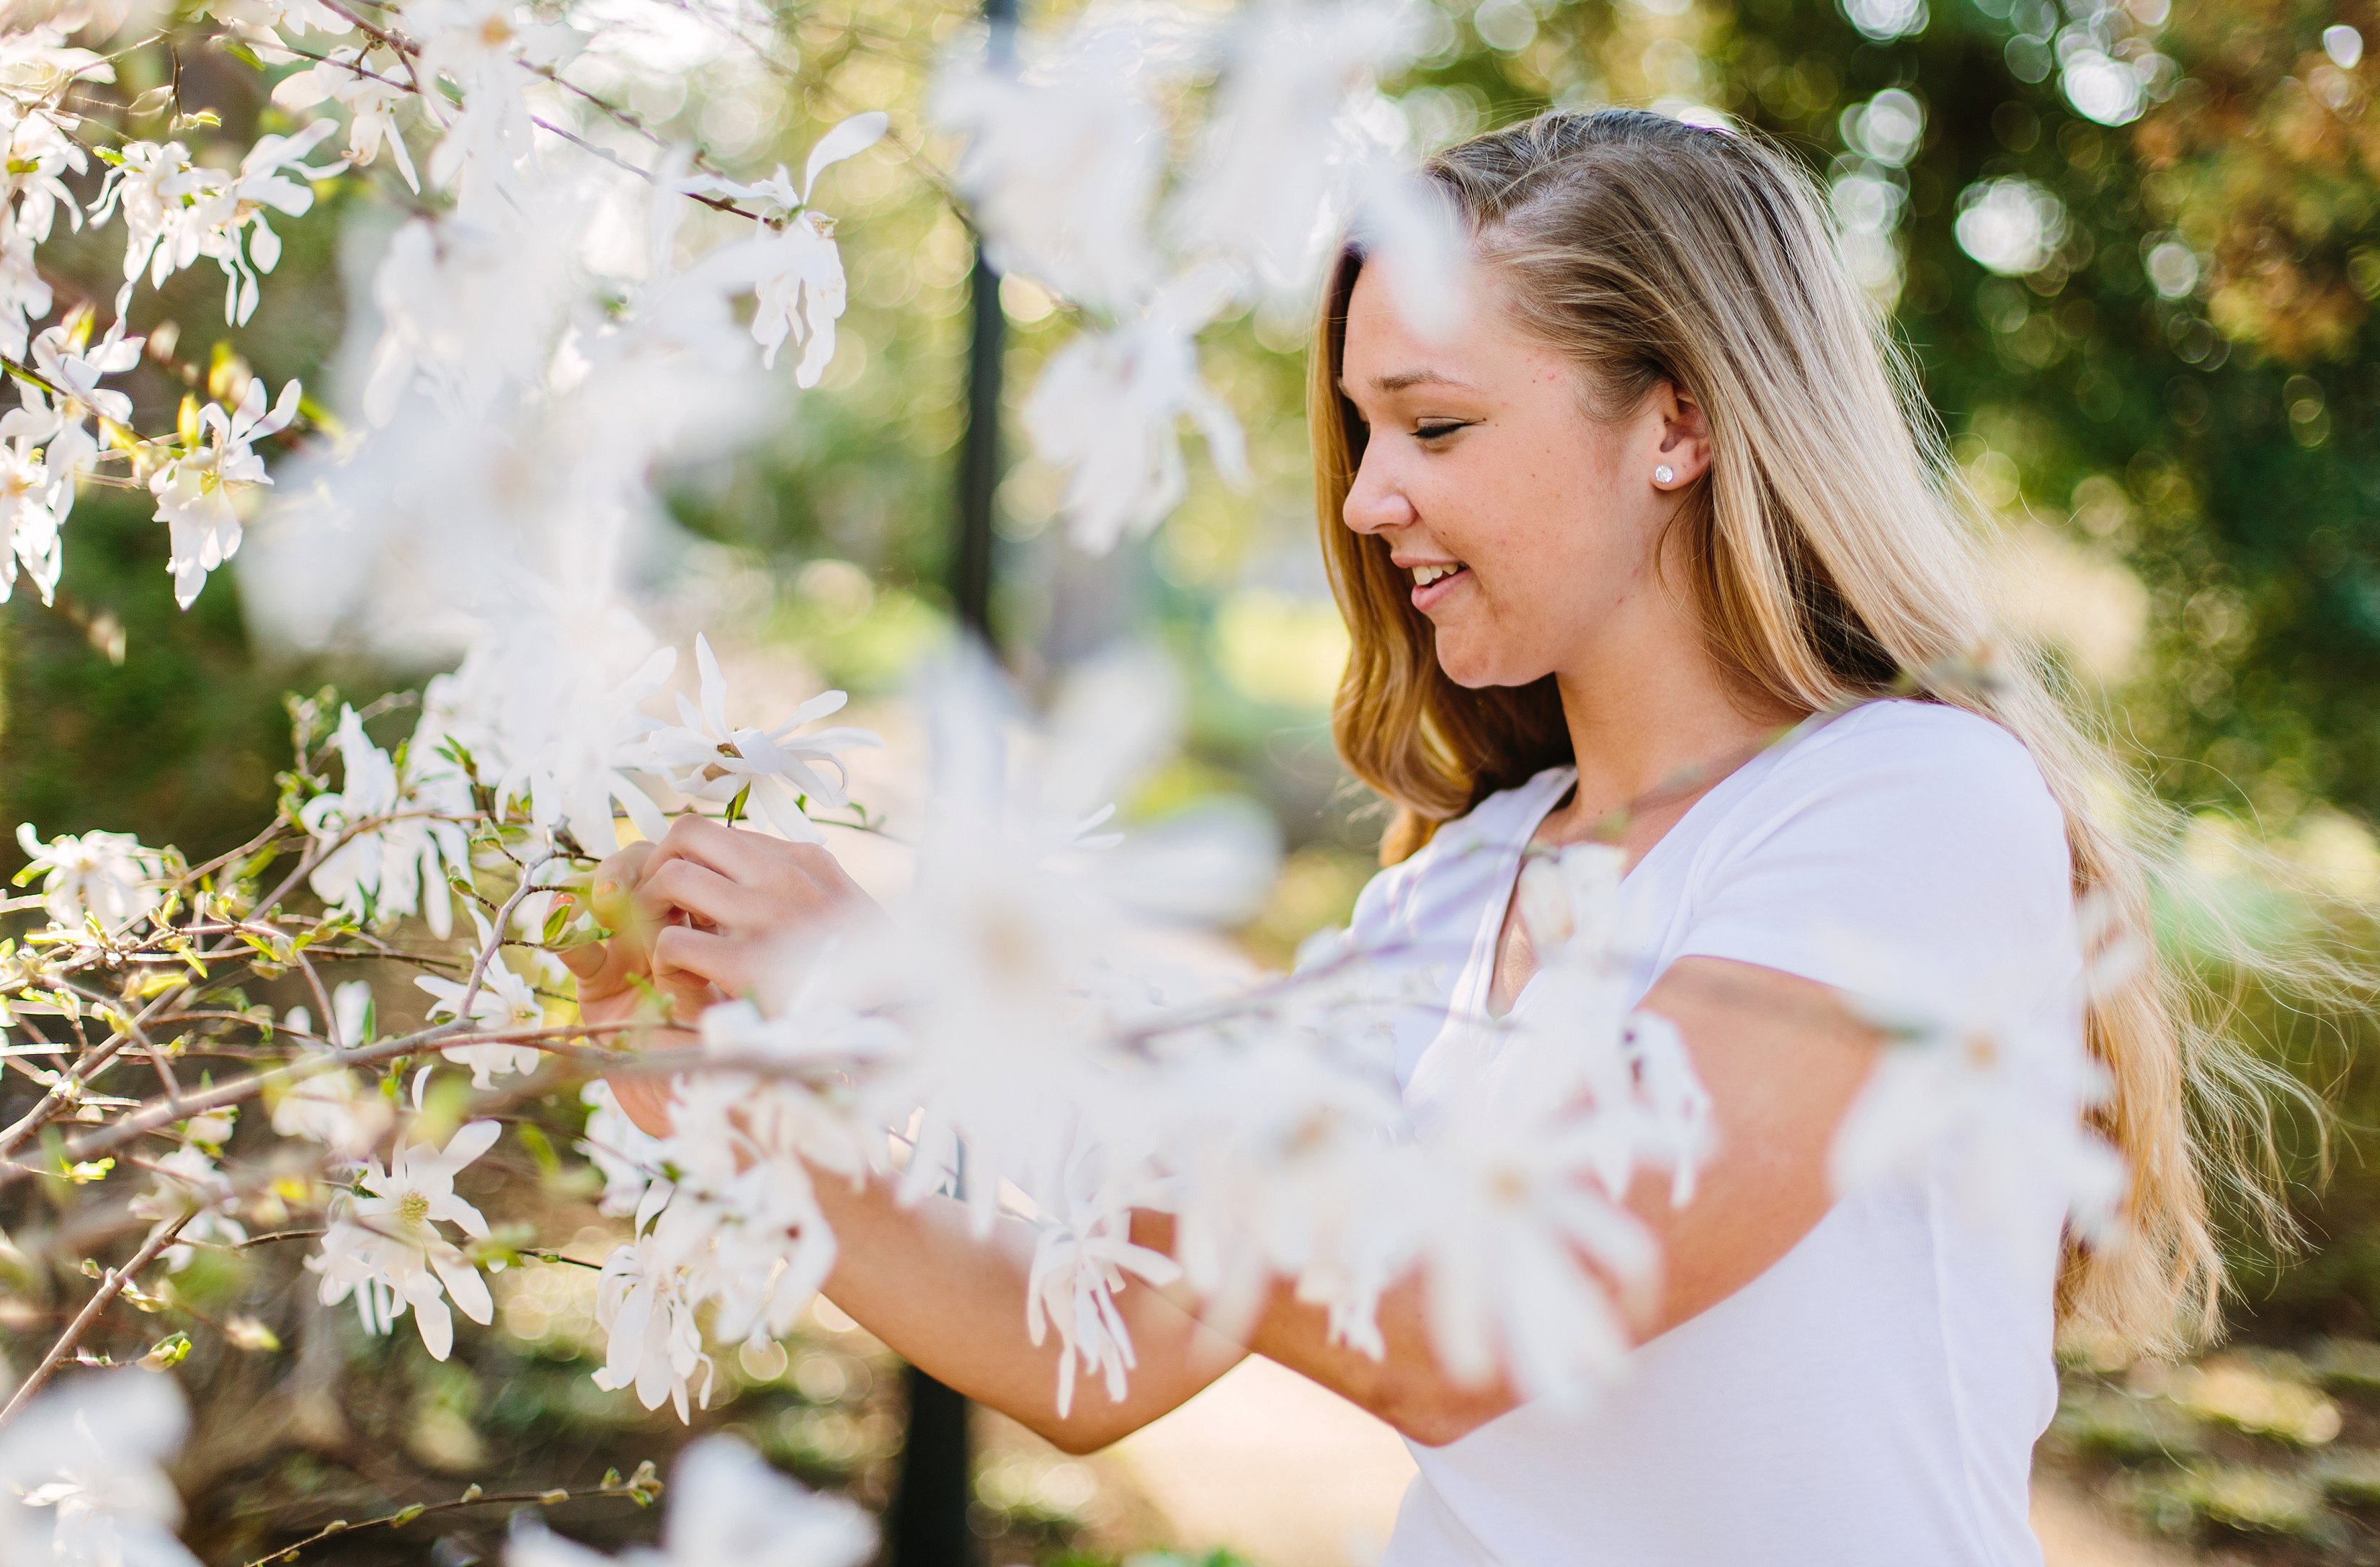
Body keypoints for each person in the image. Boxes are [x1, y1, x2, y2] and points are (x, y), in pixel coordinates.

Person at [572, 110, 2244, 1563]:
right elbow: (1099, 1350)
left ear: (1677, 421)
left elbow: (1472, 1319)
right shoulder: (1455, 885)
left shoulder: (1904, 809)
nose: (1368, 498)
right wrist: (736, 1114)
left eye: (1434, 427)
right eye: (1366, 431)